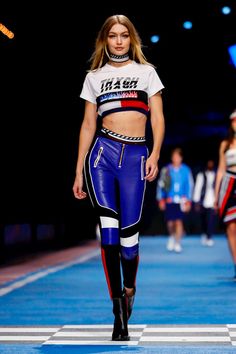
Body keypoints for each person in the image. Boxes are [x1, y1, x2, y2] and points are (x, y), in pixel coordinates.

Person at [72, 14, 165, 340]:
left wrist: (154, 155)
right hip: (102, 157)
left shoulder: (146, 73)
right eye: (113, 35)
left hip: (137, 156)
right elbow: (87, 125)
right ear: (105, 39)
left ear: (132, 38)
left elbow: (158, 118)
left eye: (124, 35)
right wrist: (79, 170)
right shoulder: (94, 77)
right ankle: (117, 313)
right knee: (108, 233)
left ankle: (129, 290)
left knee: (129, 242)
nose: (119, 40)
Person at [156, 147, 194, 253]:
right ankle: (172, 236)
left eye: (178, 156)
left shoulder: (186, 170)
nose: (176, 158)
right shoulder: (166, 170)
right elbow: (161, 185)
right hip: (169, 200)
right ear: (172, 158)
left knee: (178, 221)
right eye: (174, 156)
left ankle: (177, 242)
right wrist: (161, 200)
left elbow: (189, 186)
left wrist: (188, 201)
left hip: (181, 200)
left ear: (181, 158)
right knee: (170, 222)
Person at [214, 109, 236, 280]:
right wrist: (215, 196)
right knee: (231, 227)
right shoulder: (225, 144)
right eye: (234, 120)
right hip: (228, 186)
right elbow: (220, 171)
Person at [192, 159, 217, 246]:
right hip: (203, 200)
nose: (210, 164)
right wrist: (196, 202)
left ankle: (209, 237)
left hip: (213, 201)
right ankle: (204, 233)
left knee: (211, 220)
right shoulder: (201, 175)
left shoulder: (216, 175)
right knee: (203, 219)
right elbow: (197, 188)